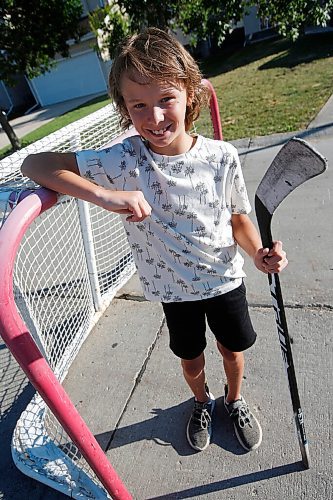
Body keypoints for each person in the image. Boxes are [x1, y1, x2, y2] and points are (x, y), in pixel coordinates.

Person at [21, 27, 288, 454]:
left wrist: (257, 252)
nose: (155, 117)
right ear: (125, 110)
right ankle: (201, 401)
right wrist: (104, 194)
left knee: (233, 350)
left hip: (224, 280)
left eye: (166, 99)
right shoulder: (125, 159)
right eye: (139, 105)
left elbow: (238, 215)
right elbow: (36, 163)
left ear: (189, 92)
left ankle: (233, 400)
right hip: (172, 291)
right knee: (191, 358)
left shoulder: (222, 156)